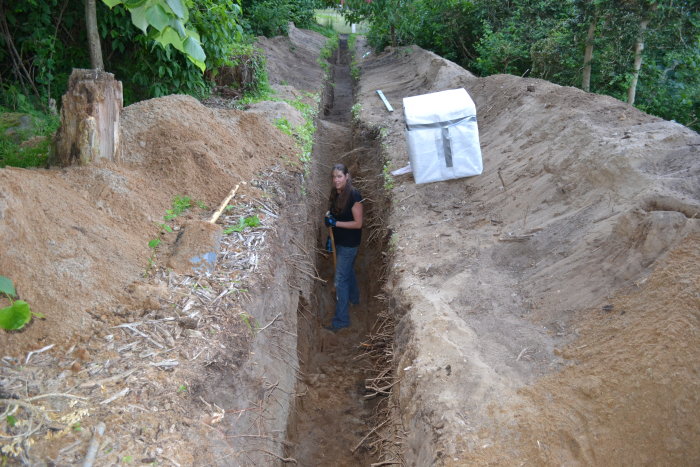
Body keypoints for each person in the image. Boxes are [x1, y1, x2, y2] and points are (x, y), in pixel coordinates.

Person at [324, 163, 363, 331]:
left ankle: (341, 321)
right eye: (334, 177)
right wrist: (330, 236)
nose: (336, 180)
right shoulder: (336, 193)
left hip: (349, 244)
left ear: (347, 176)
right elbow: (335, 215)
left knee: (340, 281)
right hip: (339, 241)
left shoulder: (354, 196)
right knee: (348, 272)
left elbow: (358, 223)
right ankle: (354, 299)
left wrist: (336, 223)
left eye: (339, 176)